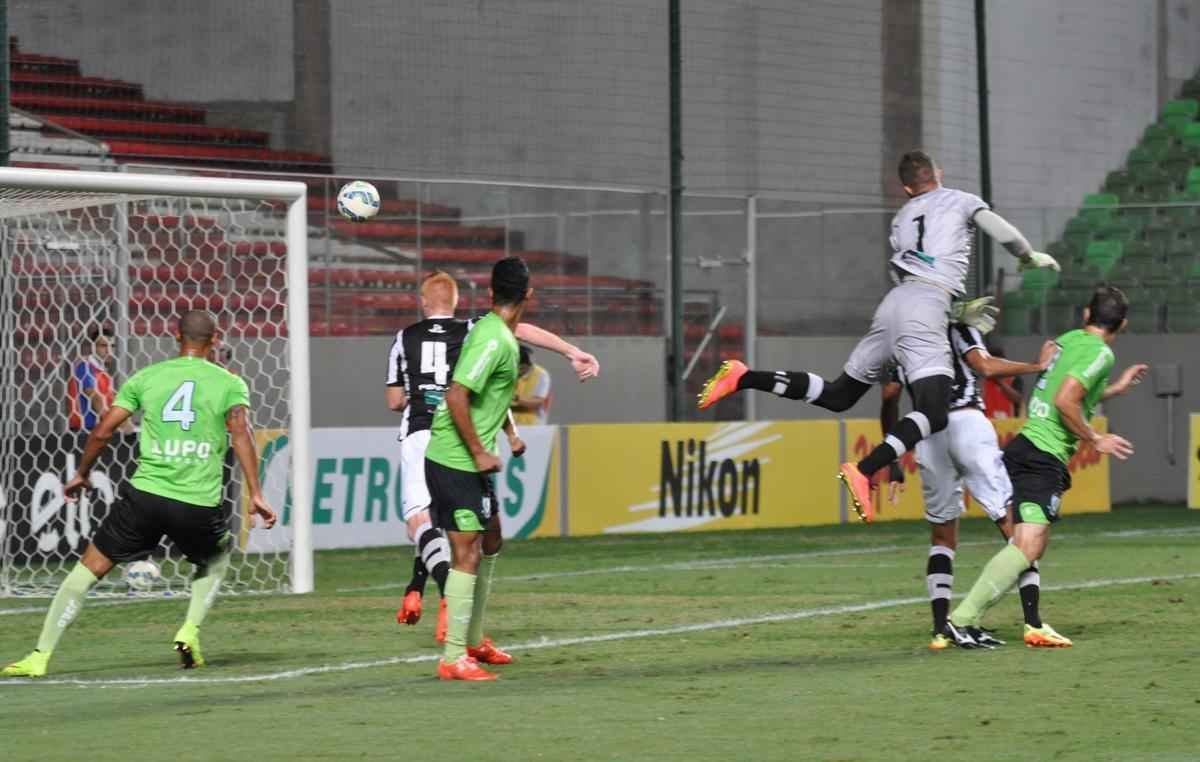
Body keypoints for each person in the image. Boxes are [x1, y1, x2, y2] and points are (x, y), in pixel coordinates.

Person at [696, 150, 1060, 521]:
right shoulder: (961, 199)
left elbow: (915, 269)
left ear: (906, 188)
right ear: (938, 173)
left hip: (894, 303)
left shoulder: (901, 218)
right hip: (926, 305)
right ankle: (864, 470)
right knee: (934, 413)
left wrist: (951, 309)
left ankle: (743, 376)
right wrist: (1028, 257)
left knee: (840, 394)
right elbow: (1002, 232)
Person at [2, 311, 277, 678]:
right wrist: (256, 492)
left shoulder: (147, 377)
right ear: (215, 341)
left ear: (176, 336)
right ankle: (189, 629)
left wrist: (82, 473)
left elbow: (103, 430)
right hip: (196, 501)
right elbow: (240, 433)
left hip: (145, 495)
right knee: (215, 558)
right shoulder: (230, 383)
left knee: (88, 569)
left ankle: (39, 655)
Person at [387, 270, 598, 637]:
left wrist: (419, 393)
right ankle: (422, 590)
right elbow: (516, 339)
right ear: (455, 302)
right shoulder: (473, 330)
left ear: (423, 302)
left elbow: (394, 401)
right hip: (461, 435)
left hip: (421, 431)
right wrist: (572, 352)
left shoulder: (404, 337)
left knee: (421, 523)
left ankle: (443, 593)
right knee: (462, 528)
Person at [945, 286, 1148, 648]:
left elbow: (1069, 388)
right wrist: (1095, 438)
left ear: (1086, 314)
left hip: (1024, 445)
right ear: (1124, 324)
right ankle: (962, 620)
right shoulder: (1101, 353)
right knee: (1028, 545)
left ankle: (1006, 623)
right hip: (1044, 453)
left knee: (1029, 543)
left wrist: (1114, 390)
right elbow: (1066, 399)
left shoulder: (1068, 340)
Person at [879, 318, 1057, 649]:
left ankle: (939, 631)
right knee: (1014, 527)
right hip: (968, 424)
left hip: (927, 433)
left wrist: (892, 458)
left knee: (942, 536)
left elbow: (890, 395)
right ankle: (1032, 623)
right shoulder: (956, 327)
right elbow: (984, 366)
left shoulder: (900, 340)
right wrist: (1037, 364)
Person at [425, 256, 540, 681]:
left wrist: (506, 435)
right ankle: (453, 656)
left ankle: (473, 641)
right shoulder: (493, 339)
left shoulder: (502, 338)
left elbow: (485, 396)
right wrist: (476, 450)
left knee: (491, 539)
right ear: (529, 295)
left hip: (474, 459)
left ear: (490, 294)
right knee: (466, 551)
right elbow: (456, 395)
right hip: (455, 458)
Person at [68, 325, 116, 431]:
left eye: (112, 346)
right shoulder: (85, 366)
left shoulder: (103, 372)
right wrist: (114, 423)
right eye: (104, 346)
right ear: (93, 347)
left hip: (98, 429)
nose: (109, 350)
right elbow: (94, 398)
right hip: (84, 432)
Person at [981, 338, 1026, 418]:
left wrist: (1000, 382)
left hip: (1009, 425)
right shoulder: (984, 379)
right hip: (989, 423)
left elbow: (1018, 399)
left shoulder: (1014, 378)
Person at [511, 345, 552, 425]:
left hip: (533, 425)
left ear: (529, 365)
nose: (519, 371)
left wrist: (514, 397)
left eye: (522, 368)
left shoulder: (541, 375)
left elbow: (537, 403)